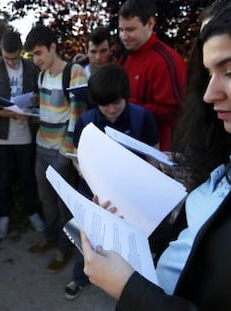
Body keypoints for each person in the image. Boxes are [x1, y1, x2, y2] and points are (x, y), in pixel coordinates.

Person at [81, 0, 231, 309]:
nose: (208, 94)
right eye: (206, 74)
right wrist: (135, 238)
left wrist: (128, 287)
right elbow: (195, 236)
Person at [64, 63, 159, 300]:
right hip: (93, 190)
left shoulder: (142, 117)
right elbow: (77, 157)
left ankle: (132, 287)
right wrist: (88, 173)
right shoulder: (86, 121)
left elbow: (153, 157)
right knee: (87, 234)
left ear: (125, 95)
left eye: (116, 102)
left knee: (132, 239)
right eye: (103, 104)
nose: (111, 109)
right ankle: (80, 276)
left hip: (130, 193)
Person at [24, 25, 89, 273]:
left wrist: (66, 152)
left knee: (64, 205)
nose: (36, 59)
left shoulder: (75, 73)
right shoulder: (41, 76)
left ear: (53, 47)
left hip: (61, 150)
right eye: (33, 55)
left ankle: (65, 248)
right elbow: (47, 111)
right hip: (41, 146)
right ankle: (50, 238)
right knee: (46, 200)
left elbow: (78, 117)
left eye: (39, 53)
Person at [0, 29, 45, 238]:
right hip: (1, 135)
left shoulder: (31, 68)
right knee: (3, 179)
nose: (12, 62)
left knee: (29, 177)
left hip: (26, 133)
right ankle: (4, 216)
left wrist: (35, 102)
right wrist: (2, 112)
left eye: (15, 57)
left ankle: (32, 212)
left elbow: (40, 94)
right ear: (1, 51)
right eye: (8, 58)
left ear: (21, 52)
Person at [118, 0, 187, 151]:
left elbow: (175, 113)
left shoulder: (165, 61)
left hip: (157, 153)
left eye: (130, 30)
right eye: (121, 30)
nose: (124, 36)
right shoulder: (125, 57)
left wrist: (128, 106)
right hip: (129, 147)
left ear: (150, 24)